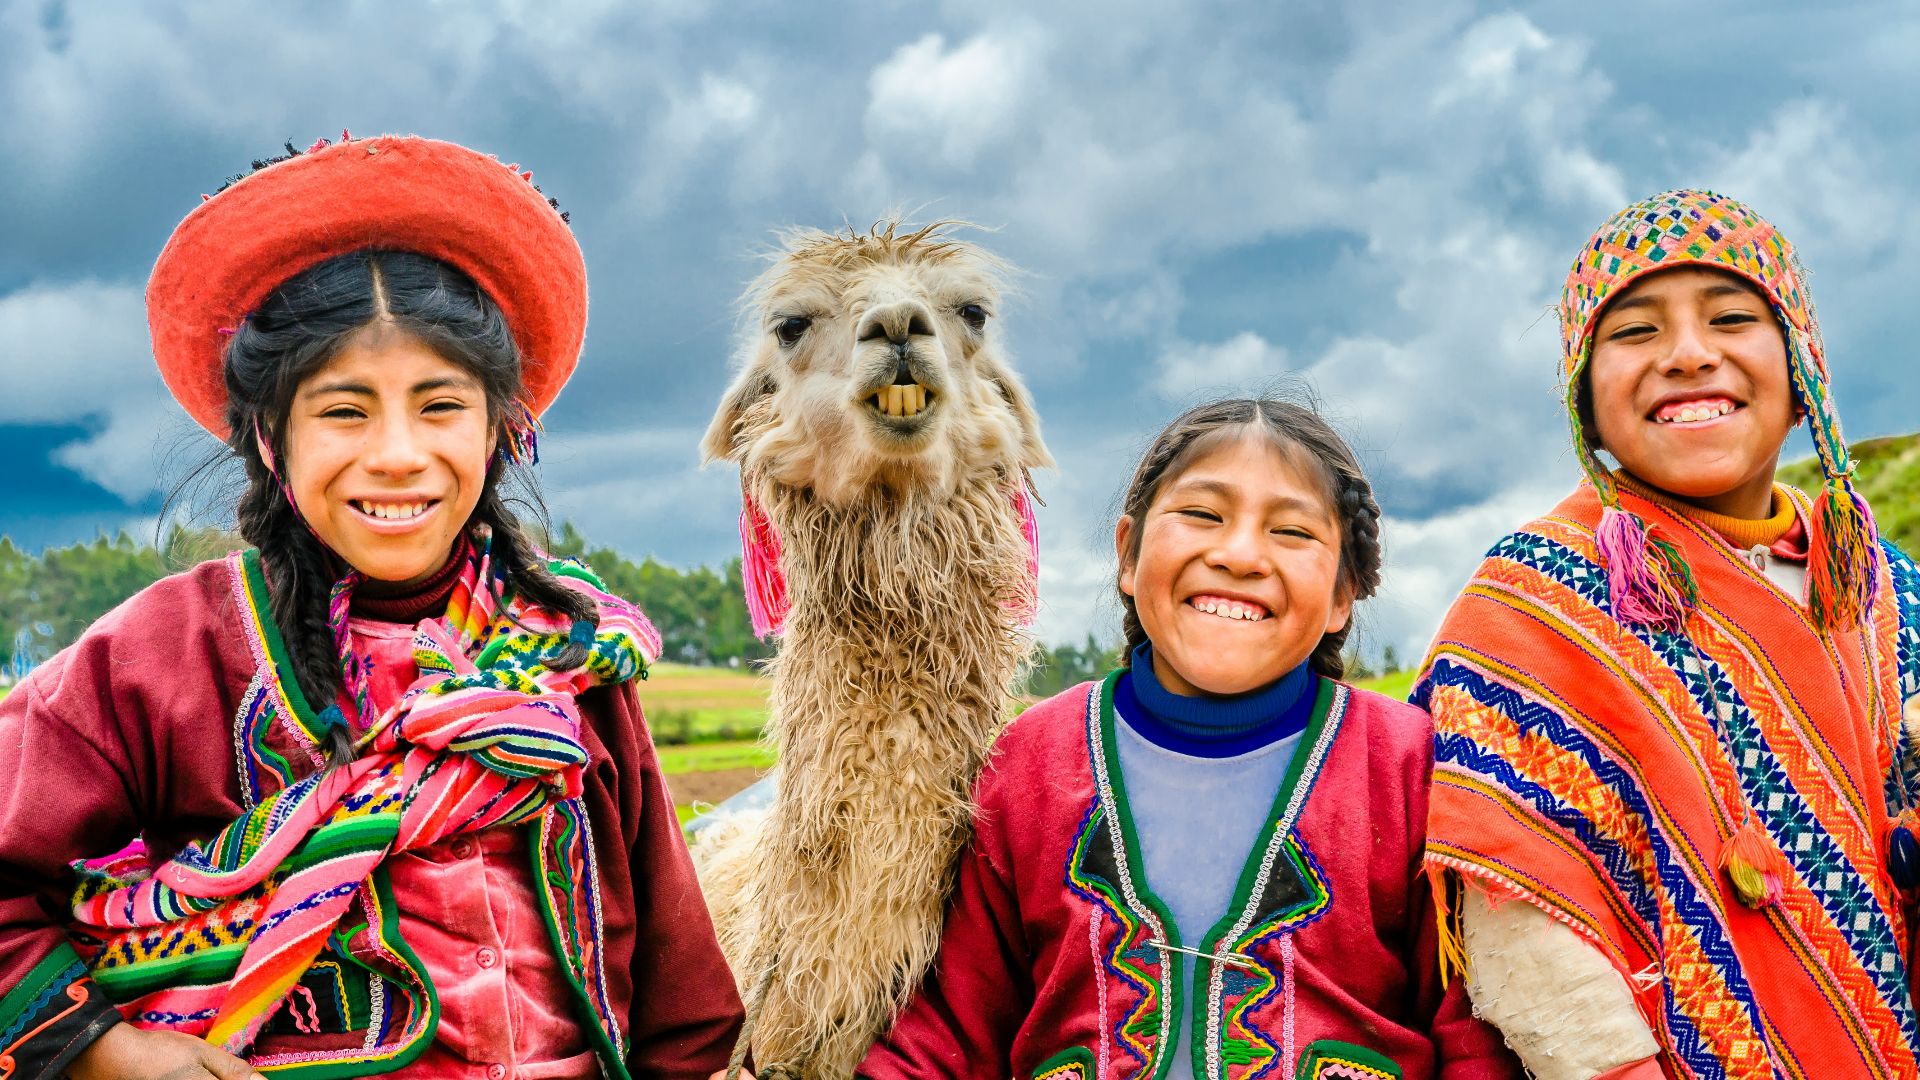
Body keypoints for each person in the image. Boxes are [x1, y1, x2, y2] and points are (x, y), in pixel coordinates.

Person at [0, 134, 743, 1080]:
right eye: (345, 412)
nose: (397, 453)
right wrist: (110, 1054)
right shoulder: (165, 656)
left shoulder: (568, 654)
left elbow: (677, 978)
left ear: (500, 430)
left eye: (439, 407)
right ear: (271, 437)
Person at [856, 397, 1520, 1080]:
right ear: (1127, 554)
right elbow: (950, 1030)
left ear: (1343, 596)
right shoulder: (1032, 763)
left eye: (1291, 532)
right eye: (1203, 515)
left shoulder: (1407, 765)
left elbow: (1473, 1035)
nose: (1238, 555)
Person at [1420, 189, 1920, 1079]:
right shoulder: (1530, 608)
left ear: (1804, 377)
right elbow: (1525, 922)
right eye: (1636, 332)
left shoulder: (1887, 594)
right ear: (1587, 402)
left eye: (1732, 317)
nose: (1689, 355)